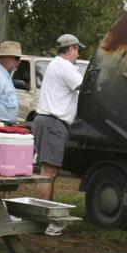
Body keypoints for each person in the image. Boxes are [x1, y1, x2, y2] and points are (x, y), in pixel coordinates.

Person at [31, 33, 85, 204]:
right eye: (77, 50)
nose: (78, 54)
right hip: (52, 122)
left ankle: (44, 214)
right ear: (71, 48)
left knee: (50, 172)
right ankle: (43, 217)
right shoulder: (64, 65)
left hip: (49, 121)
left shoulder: (56, 64)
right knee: (48, 172)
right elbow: (83, 87)